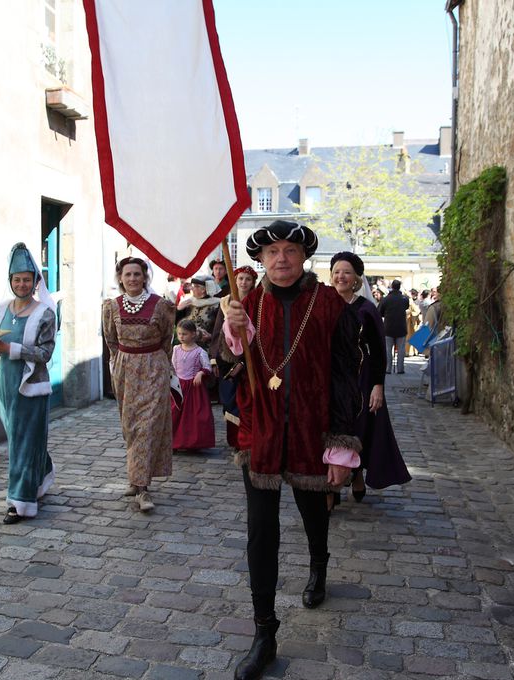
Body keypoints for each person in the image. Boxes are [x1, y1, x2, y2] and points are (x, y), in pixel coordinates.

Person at [224, 220, 361, 680]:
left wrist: (341, 447)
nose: (281, 258)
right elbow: (230, 368)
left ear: (304, 257)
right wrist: (231, 334)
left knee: (313, 513)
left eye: (290, 250)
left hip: (311, 431)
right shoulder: (245, 304)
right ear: (260, 260)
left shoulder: (327, 305)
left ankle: (318, 563)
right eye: (272, 251)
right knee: (260, 532)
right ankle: (264, 632)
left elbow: (346, 375)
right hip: (260, 435)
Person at [330, 253, 412, 502]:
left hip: (361, 380)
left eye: (346, 272)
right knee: (331, 429)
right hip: (330, 378)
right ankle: (330, 484)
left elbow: (378, 352)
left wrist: (378, 386)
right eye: (336, 271)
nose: (340, 276)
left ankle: (355, 473)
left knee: (360, 428)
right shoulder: (323, 305)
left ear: (356, 278)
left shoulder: (366, 309)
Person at [0, 243, 57, 524]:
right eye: (17, 279)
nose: (22, 284)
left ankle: (20, 502)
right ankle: (41, 475)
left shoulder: (45, 313)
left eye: (27, 279)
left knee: (22, 443)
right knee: (22, 440)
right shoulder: (1, 309)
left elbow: (46, 353)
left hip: (31, 384)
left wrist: (10, 349)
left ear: (35, 281)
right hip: (6, 382)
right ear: (11, 282)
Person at [102, 256, 176, 513]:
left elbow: (168, 338)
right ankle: (136, 478)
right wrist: (120, 365)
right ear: (120, 278)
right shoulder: (111, 306)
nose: (132, 278)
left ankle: (143, 489)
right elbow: (110, 340)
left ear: (145, 277)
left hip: (154, 367)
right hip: (125, 370)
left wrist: (159, 364)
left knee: (148, 426)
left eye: (137, 274)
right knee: (131, 427)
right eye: (128, 274)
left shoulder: (162, 306)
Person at [209, 265, 258, 447]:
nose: (244, 282)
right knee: (230, 397)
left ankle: (248, 438)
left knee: (247, 399)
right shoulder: (225, 302)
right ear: (234, 280)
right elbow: (217, 332)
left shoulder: (256, 301)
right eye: (240, 279)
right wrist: (214, 358)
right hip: (227, 357)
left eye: (248, 279)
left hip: (249, 357)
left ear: (253, 282)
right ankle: (234, 439)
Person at [171, 319, 216, 451]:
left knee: (193, 416)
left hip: (193, 389)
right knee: (174, 413)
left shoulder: (199, 351)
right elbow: (172, 366)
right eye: (179, 334)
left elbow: (207, 366)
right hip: (178, 386)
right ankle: (173, 442)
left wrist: (201, 373)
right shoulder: (175, 349)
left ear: (193, 334)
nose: (181, 337)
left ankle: (192, 442)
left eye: (184, 334)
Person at [175, 275, 221, 347]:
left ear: (204, 289)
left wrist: (211, 336)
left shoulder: (218, 305)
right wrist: (178, 310)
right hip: (187, 346)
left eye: (196, 286)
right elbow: (178, 324)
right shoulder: (189, 302)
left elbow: (220, 328)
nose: (192, 288)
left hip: (207, 346)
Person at [378, 280, 410, 374]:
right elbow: (406, 307)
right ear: (399, 287)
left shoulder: (386, 299)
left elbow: (380, 312)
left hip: (388, 327)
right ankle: (400, 369)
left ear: (392, 286)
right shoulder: (405, 298)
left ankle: (388, 369)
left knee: (388, 349)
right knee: (401, 350)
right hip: (401, 327)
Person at [406, 288, 422, 356]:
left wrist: (409, 313)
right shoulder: (410, 301)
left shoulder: (411, 302)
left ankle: (410, 352)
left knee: (410, 337)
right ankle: (411, 351)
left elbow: (417, 311)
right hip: (408, 321)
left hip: (410, 322)